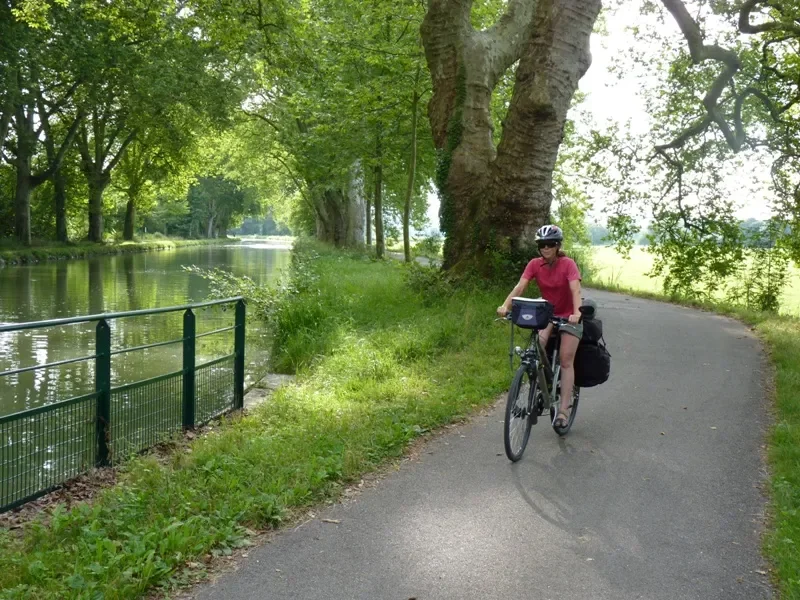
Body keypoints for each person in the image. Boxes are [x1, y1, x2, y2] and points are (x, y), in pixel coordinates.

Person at [496, 224, 583, 428]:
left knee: (566, 360)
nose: (546, 248)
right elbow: (520, 286)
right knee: (535, 349)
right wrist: (505, 305)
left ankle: (562, 411)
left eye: (550, 244)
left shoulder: (568, 264)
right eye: (542, 245)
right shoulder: (535, 264)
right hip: (548, 313)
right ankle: (537, 387)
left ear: (557, 246)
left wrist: (577, 313)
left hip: (569, 315)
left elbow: (575, 290)